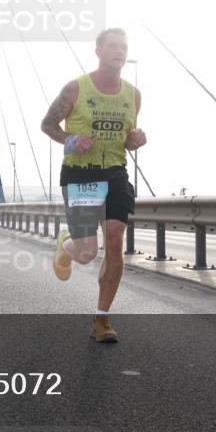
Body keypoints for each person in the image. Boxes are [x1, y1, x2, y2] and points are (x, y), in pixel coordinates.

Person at [40, 27, 147, 342]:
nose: (120, 52)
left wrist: (135, 139)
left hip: (115, 172)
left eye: (124, 47)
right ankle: (68, 244)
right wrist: (70, 139)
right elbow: (47, 124)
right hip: (81, 174)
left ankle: (102, 318)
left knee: (115, 242)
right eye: (113, 46)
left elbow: (127, 140)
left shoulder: (133, 94)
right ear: (98, 51)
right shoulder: (75, 88)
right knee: (87, 252)